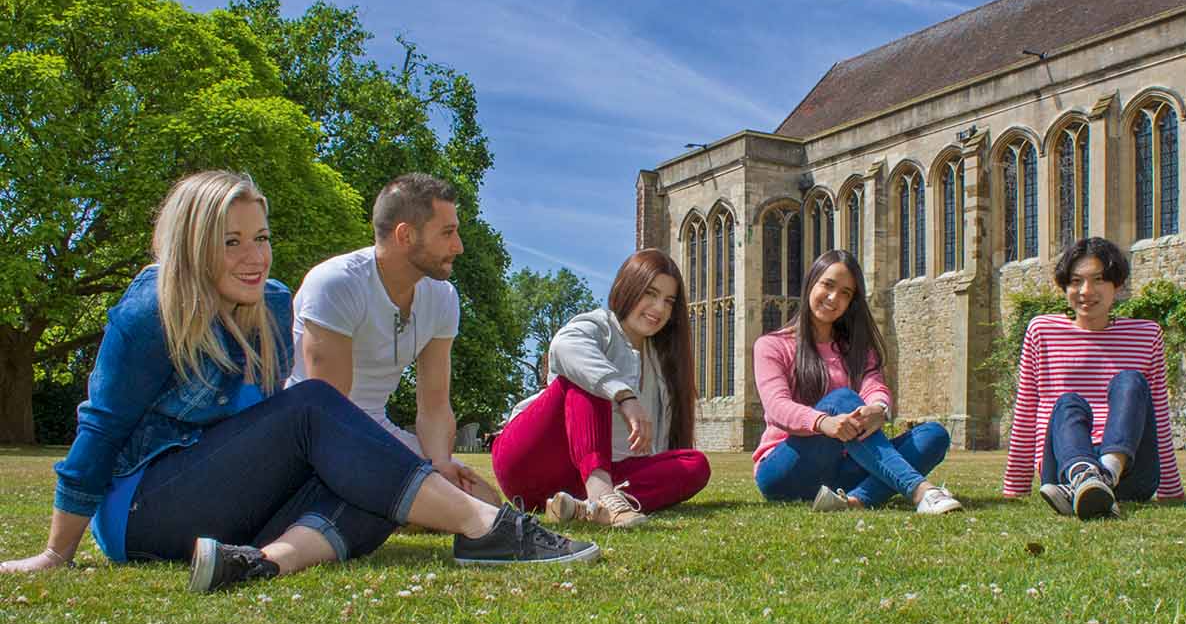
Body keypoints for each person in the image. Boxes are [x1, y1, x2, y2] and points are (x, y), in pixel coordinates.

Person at [0, 171, 599, 590]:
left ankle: (260, 565)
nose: (254, 256)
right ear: (192, 246)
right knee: (317, 405)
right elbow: (101, 430)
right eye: (230, 242)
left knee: (377, 478)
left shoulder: (273, 304)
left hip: (228, 506)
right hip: (142, 512)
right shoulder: (149, 313)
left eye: (260, 238)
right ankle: (486, 528)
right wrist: (57, 553)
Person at [287, 173, 500, 506]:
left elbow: (434, 405)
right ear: (406, 235)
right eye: (447, 233)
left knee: (483, 499)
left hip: (375, 429)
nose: (458, 246)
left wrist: (440, 464)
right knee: (440, 501)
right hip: (313, 438)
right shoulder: (337, 283)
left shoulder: (443, 297)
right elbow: (331, 416)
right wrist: (410, 475)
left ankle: (395, 505)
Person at [492, 250, 710, 528]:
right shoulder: (598, 326)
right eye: (650, 294)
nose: (659, 309)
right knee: (583, 380)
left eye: (668, 301)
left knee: (694, 465)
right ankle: (602, 496)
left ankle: (584, 508)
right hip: (532, 460)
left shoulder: (660, 363)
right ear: (628, 288)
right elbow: (564, 347)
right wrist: (624, 395)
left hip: (576, 484)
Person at [752, 249, 959, 514]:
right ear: (810, 284)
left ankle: (855, 500)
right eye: (828, 285)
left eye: (845, 293)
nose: (833, 298)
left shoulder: (857, 348)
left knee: (934, 435)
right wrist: (824, 423)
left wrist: (878, 410)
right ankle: (920, 491)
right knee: (841, 400)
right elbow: (777, 406)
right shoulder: (771, 345)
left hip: (845, 467)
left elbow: (875, 386)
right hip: (787, 468)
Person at [1002, 237, 1184, 519]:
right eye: (1076, 281)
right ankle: (1083, 475)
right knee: (1068, 403)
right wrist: (1015, 487)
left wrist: (1172, 490)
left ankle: (1105, 474)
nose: (1086, 291)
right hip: (1062, 464)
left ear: (1117, 285)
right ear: (1065, 287)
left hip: (1131, 471)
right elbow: (1026, 408)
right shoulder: (1042, 331)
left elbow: (1157, 413)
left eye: (1098, 280)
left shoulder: (1146, 335)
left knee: (1130, 381)